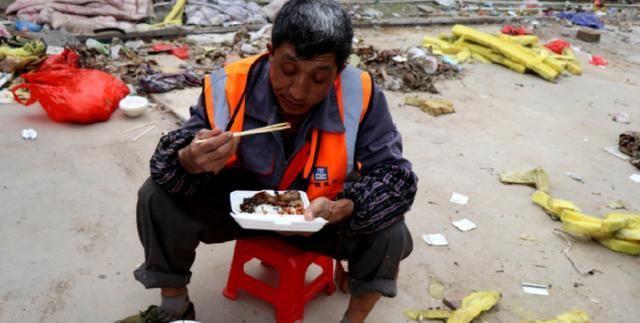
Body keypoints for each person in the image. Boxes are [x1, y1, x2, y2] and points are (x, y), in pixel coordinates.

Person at [119, 1, 418, 322]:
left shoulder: (359, 92)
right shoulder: (229, 86)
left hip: (320, 213)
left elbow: (396, 179)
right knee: (157, 196)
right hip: (242, 208)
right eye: (288, 70)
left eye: (318, 78)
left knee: (392, 231)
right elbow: (167, 165)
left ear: (339, 69)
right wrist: (188, 159)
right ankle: (175, 306)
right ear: (270, 52)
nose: (299, 92)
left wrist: (341, 208)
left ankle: (353, 319)